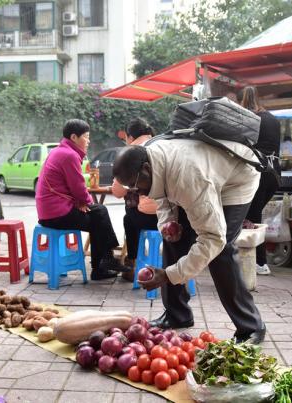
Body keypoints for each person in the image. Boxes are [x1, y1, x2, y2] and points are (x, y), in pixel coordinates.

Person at [113, 140, 266, 344]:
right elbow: (161, 195)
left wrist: (169, 275)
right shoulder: (152, 159)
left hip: (237, 178)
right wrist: (168, 224)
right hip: (203, 174)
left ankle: (251, 326)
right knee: (174, 238)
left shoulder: (188, 178)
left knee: (221, 251)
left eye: (133, 185)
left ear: (147, 169)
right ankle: (177, 314)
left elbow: (212, 238)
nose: (135, 192)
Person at [36, 119, 128, 280]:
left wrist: (83, 203)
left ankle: (104, 263)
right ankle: (104, 263)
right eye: (86, 136)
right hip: (57, 214)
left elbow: (72, 189)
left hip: (50, 212)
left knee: (98, 215)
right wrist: (86, 202)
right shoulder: (69, 155)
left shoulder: (59, 151)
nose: (88, 141)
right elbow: (78, 188)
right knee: (99, 213)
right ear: (74, 137)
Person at [240, 86, 281, 275]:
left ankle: (260, 263)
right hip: (274, 175)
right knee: (252, 215)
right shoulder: (272, 118)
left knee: (252, 217)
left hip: (258, 173)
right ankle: (250, 259)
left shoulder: (248, 118)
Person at [111, 118, 158, 281]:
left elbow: (117, 191)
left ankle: (133, 262)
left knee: (129, 216)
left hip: (150, 218)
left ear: (130, 137)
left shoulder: (130, 153)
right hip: (175, 218)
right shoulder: (162, 145)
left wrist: (129, 189)